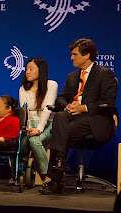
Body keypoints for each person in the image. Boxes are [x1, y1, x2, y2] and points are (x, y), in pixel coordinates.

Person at [39, 38, 118, 195]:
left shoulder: (105, 74)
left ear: (87, 55)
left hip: (97, 119)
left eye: (74, 54)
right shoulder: (72, 76)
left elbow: (108, 102)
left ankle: (56, 178)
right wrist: (67, 105)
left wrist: (84, 107)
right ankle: (61, 163)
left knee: (60, 130)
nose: (71, 58)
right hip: (73, 119)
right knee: (61, 117)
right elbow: (61, 98)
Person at [19, 58, 58, 184]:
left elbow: (48, 109)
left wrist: (39, 129)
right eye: (26, 69)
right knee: (23, 143)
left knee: (35, 142)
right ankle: (19, 172)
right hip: (31, 126)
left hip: (49, 125)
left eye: (31, 69)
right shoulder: (23, 89)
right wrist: (30, 129)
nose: (27, 72)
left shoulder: (52, 85)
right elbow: (25, 113)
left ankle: (48, 176)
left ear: (40, 71)